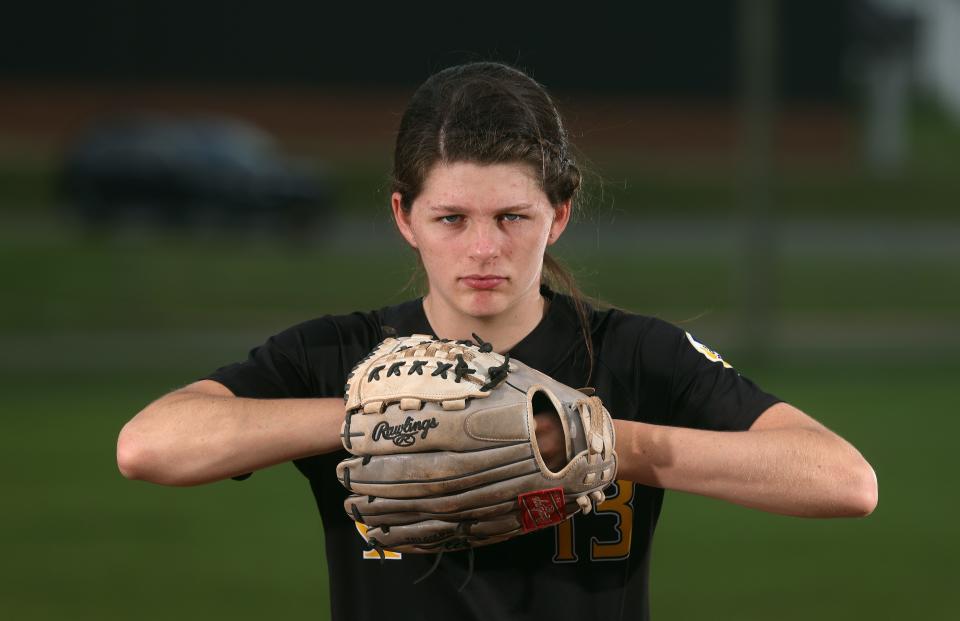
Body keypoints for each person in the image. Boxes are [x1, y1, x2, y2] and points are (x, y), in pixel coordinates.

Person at [116, 62, 878, 621]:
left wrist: (598, 438)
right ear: (404, 218)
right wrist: (388, 414)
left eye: (512, 217)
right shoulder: (343, 356)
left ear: (560, 214)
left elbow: (844, 480)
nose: (484, 249)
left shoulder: (629, 354)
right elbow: (149, 445)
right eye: (452, 218)